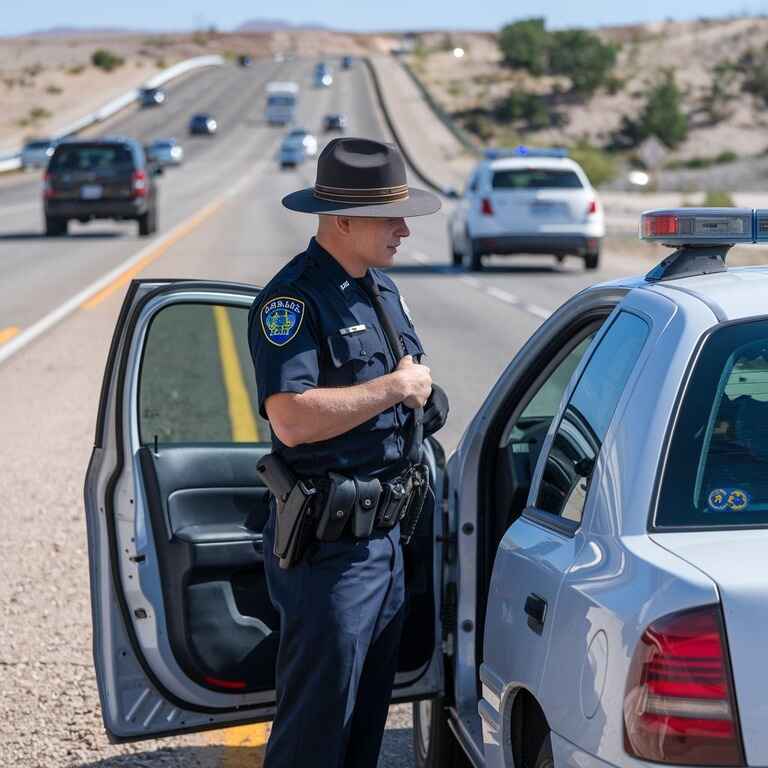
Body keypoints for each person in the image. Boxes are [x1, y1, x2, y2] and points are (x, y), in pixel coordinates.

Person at [248, 137, 447, 768]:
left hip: (386, 544)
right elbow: (292, 419)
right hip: (330, 556)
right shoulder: (293, 301)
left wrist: (423, 400)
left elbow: (412, 390)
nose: (405, 230)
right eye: (391, 217)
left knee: (362, 732)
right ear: (342, 220)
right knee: (315, 734)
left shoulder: (381, 291)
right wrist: (394, 388)